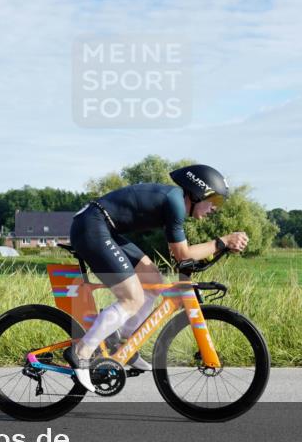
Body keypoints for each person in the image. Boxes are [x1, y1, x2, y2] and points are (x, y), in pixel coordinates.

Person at [66, 164, 248, 392]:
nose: (215, 208)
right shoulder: (175, 203)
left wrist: (187, 279)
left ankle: (123, 344)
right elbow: (183, 254)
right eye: (214, 200)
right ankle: (81, 352)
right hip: (91, 227)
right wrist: (223, 242)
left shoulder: (175, 202)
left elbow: (182, 261)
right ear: (198, 193)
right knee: (131, 298)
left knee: (153, 282)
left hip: (103, 227)